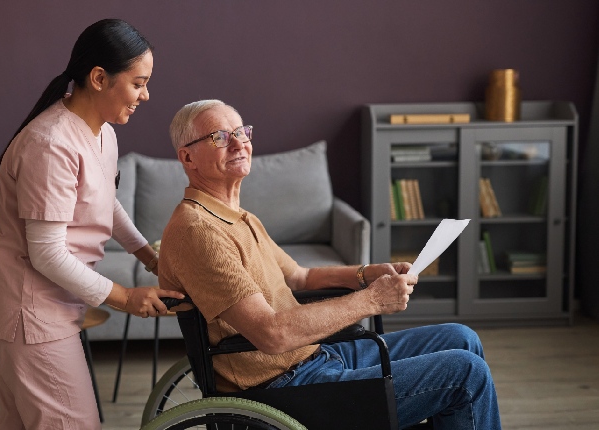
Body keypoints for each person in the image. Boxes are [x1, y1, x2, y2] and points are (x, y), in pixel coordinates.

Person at [158, 99, 502, 430]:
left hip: (314, 358)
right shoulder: (198, 232)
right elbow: (272, 334)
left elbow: (298, 276)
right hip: (284, 387)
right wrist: (372, 300)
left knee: (461, 338)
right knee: (465, 373)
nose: (238, 144)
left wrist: (366, 274)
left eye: (241, 132)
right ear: (187, 157)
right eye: (219, 137)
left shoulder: (237, 217)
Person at [0, 19, 183, 430]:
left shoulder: (102, 133)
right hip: (30, 318)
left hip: (43, 311)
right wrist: (125, 297)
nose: (146, 95)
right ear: (99, 78)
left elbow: (106, 204)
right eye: (139, 83)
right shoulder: (51, 144)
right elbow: (47, 252)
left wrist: (149, 255)